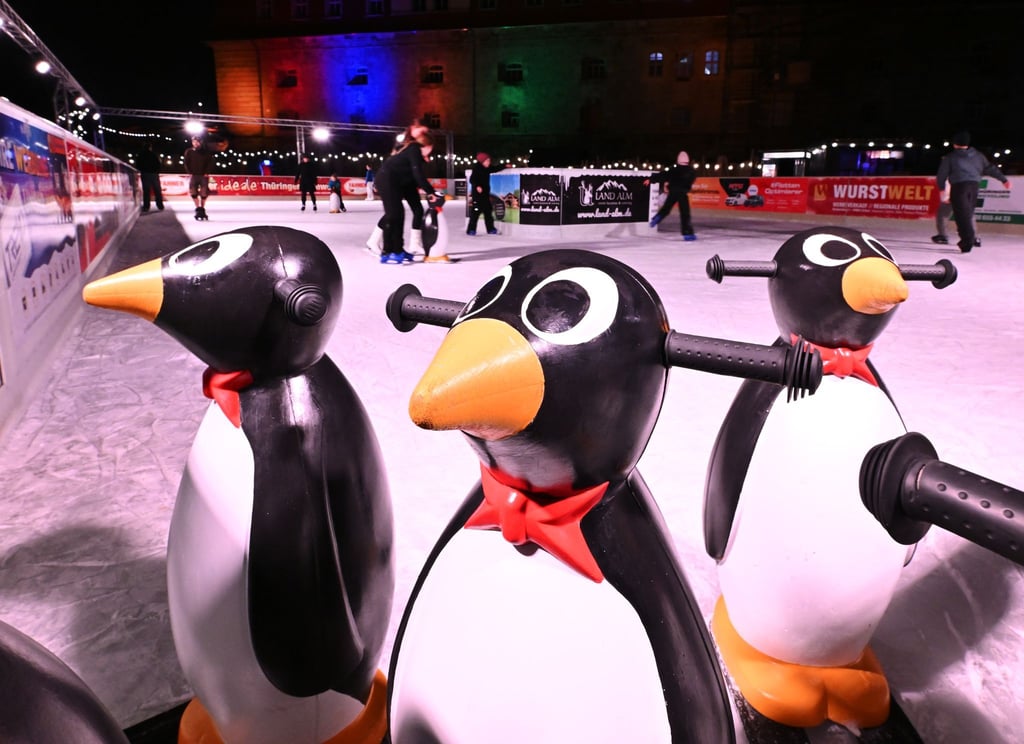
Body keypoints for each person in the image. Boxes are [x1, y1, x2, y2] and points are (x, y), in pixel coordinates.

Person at [374, 128, 444, 265]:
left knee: (399, 214)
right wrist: (430, 191)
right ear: (427, 146)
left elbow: (414, 178)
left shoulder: (413, 153)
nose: (430, 153)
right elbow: (417, 173)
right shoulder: (414, 149)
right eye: (431, 149)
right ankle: (388, 251)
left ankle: (398, 249)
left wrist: (429, 192)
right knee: (393, 215)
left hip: (397, 181)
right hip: (387, 179)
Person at [936, 131, 1011, 253]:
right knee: (968, 213)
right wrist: (1003, 179)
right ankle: (971, 238)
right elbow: (989, 168)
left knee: (962, 216)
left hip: (959, 187)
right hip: (974, 187)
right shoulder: (978, 156)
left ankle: (968, 241)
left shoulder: (951, 157)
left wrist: (941, 189)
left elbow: (942, 175)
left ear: (954, 144)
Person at [646, 150, 697, 241]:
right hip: (682, 193)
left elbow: (663, 175)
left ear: (678, 160)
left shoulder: (674, 169)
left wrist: (651, 180)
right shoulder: (691, 171)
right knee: (685, 213)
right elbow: (691, 181)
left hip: (673, 191)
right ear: (688, 160)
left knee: (667, 208)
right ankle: (687, 234)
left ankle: (658, 217)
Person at [466, 152, 505, 235]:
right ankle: (471, 230)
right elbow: (472, 179)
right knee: (475, 213)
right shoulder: (477, 168)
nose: (489, 162)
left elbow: (495, 169)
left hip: (485, 195)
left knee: (488, 212)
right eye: (487, 161)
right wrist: (477, 186)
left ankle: (490, 229)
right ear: (482, 162)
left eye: (489, 160)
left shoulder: (487, 168)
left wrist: (504, 165)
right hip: (477, 196)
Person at [184, 136, 214, 220]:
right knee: (193, 192)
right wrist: (189, 172)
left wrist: (207, 172)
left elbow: (210, 162)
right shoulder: (189, 151)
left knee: (204, 192)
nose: (196, 143)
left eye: (197, 142)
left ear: (201, 142)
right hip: (193, 175)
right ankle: (197, 208)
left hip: (203, 175)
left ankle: (202, 207)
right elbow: (186, 163)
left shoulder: (206, 152)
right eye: (194, 142)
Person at [136, 140, 163, 212]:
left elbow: (137, 164)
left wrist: (142, 170)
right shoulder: (154, 155)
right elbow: (158, 164)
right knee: (157, 190)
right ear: (150, 147)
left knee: (146, 191)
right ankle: (160, 205)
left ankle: (146, 206)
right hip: (154, 174)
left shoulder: (141, 155)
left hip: (145, 174)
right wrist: (156, 171)